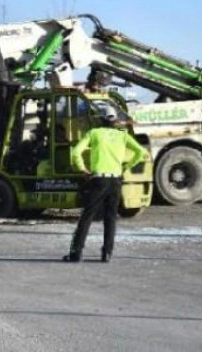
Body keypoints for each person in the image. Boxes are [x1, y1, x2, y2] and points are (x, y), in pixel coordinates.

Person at [63, 106, 148, 263]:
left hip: (98, 179)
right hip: (116, 180)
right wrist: (125, 167)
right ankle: (106, 254)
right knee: (110, 218)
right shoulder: (122, 136)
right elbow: (140, 152)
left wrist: (83, 169)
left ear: (99, 119)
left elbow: (76, 152)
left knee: (87, 216)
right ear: (114, 119)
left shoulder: (94, 134)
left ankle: (76, 253)